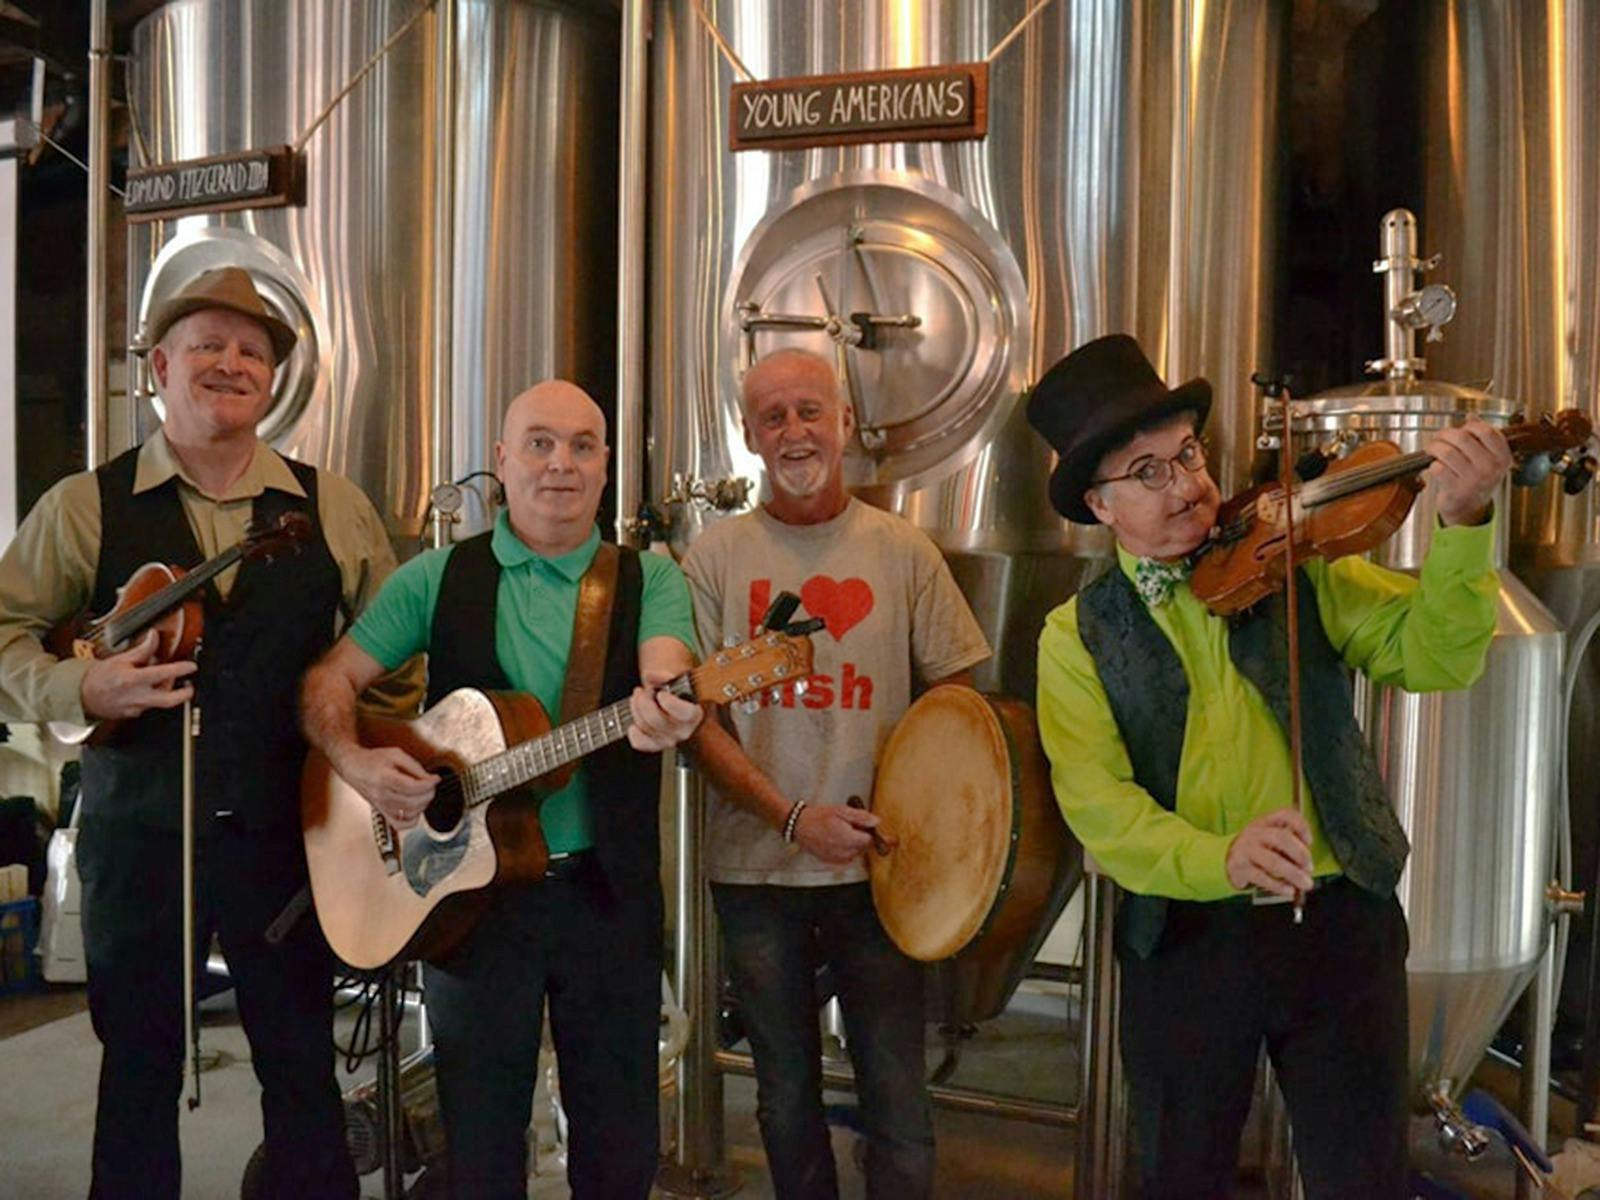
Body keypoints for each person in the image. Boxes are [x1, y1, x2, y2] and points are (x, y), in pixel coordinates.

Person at [1028, 334, 1513, 1199]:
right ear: (1099, 506)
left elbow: (1438, 658)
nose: (1188, 486)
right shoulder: (1075, 637)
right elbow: (1101, 809)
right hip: (1187, 942)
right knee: (1185, 1176)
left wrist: (1463, 524)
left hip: (1341, 926)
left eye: (1187, 455)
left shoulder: (1301, 566)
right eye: (1148, 472)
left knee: (1364, 1177)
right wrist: (1223, 857)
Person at [0, 266, 405, 1198]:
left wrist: (361, 739)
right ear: (159, 365)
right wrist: (81, 684)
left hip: (290, 839)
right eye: (208, 345)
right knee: (138, 1075)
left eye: (252, 350)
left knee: (304, 1072)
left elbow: (396, 653)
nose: (231, 362)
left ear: (273, 378)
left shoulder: (330, 505)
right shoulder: (83, 505)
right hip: (139, 838)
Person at [298, 378, 703, 1200]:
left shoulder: (650, 580)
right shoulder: (437, 577)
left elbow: (669, 664)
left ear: (605, 464)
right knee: (479, 1149)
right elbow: (328, 684)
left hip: (606, 897)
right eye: (541, 444)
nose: (562, 465)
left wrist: (669, 703)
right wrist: (357, 762)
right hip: (465, 907)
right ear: (502, 461)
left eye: (583, 446)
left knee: (620, 1150)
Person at [683, 348, 991, 1199]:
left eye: (811, 410)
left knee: (899, 1097)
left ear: (847, 424)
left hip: (882, 871)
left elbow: (956, 705)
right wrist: (790, 818)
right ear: (747, 434)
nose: (795, 431)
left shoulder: (903, 552)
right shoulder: (713, 559)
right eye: (774, 416)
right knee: (783, 1098)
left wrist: (916, 824)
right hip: (755, 872)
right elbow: (695, 722)